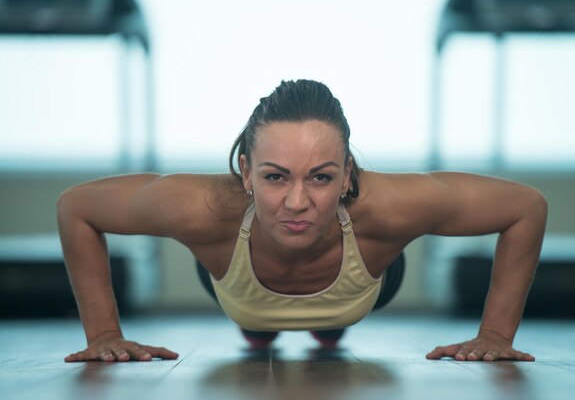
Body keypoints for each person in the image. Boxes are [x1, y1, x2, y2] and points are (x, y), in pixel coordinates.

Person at [57, 79, 547, 363]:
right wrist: (104, 335)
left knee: (335, 317)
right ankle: (264, 330)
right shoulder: (203, 207)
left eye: (320, 177)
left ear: (348, 174)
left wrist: (496, 336)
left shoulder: (390, 204)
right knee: (251, 312)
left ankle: (326, 330)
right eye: (274, 177)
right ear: (245, 171)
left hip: (365, 290)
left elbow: (525, 207)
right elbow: (77, 207)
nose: (296, 202)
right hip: (236, 287)